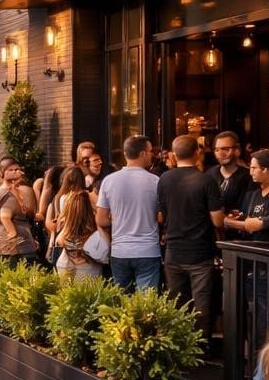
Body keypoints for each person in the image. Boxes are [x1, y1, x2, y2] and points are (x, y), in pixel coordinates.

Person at [157, 135, 225, 343]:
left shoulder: (164, 179)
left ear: (173, 155)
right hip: (200, 251)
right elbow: (217, 220)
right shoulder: (206, 180)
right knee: (201, 304)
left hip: (173, 250)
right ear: (197, 152)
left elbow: (160, 216)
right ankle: (199, 347)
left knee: (177, 302)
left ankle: (178, 345)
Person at [95, 134, 160, 291]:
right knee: (146, 305)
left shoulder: (109, 180)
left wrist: (118, 219)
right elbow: (161, 216)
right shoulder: (155, 181)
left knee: (122, 303)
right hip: (148, 250)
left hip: (120, 251)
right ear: (143, 153)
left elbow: (101, 220)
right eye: (151, 151)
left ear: (125, 154)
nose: (153, 155)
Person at [222, 149, 269, 244]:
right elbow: (245, 216)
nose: (250, 172)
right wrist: (235, 215)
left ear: (266, 169)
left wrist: (226, 221)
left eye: (254, 168)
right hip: (253, 251)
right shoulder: (253, 194)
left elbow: (261, 224)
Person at [0, 162, 39, 263]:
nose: (18, 172)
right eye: (12, 170)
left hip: (7, 246)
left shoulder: (12, 191)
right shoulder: (7, 194)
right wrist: (13, 238)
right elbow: (5, 217)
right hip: (11, 250)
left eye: (18, 170)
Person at [53, 175, 105, 279]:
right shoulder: (94, 222)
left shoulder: (68, 222)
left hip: (64, 262)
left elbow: (59, 241)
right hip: (88, 266)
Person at [209, 131, 252, 218]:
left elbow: (250, 208)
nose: (220, 153)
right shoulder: (210, 174)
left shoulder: (249, 177)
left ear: (237, 150)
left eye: (226, 149)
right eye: (217, 150)